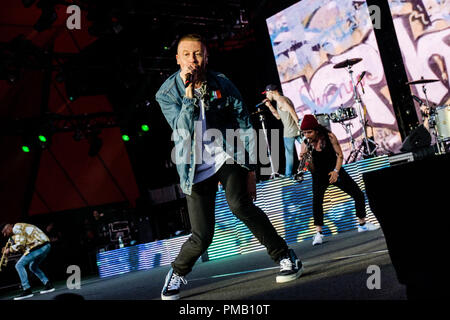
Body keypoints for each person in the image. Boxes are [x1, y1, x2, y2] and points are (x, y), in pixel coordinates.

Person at [155, 33, 303, 300]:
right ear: (177, 59)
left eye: (198, 54)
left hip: (227, 154)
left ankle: (286, 257)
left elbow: (244, 124)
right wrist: (189, 98)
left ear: (206, 57)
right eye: (186, 54)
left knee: (240, 205)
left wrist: (250, 169)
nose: (193, 60)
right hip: (193, 165)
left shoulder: (222, 82)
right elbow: (182, 131)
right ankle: (177, 272)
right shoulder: (166, 94)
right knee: (202, 236)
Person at [299, 115, 379, 246]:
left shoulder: (329, 137)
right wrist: (306, 158)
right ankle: (318, 233)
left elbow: (340, 155)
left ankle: (362, 223)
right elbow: (310, 169)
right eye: (304, 133)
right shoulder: (305, 144)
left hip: (335, 170)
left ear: (316, 130)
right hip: (319, 175)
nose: (307, 135)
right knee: (317, 202)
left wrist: (336, 171)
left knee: (358, 193)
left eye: (309, 132)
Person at [1, 222, 55, 300]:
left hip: (39, 245)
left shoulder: (16, 227)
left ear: (9, 227)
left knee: (19, 265)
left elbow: (21, 244)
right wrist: (10, 251)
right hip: (45, 245)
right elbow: (24, 247)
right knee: (33, 267)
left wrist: (9, 250)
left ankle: (27, 290)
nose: (4, 235)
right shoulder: (19, 230)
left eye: (5, 231)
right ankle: (48, 284)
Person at [262, 84, 302, 177]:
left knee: (289, 155)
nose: (266, 96)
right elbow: (278, 116)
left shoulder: (281, 100)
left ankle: (288, 176)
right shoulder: (281, 100)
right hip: (293, 130)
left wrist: (299, 125)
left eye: (267, 93)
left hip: (289, 132)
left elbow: (292, 112)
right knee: (306, 148)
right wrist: (269, 106)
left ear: (271, 92)